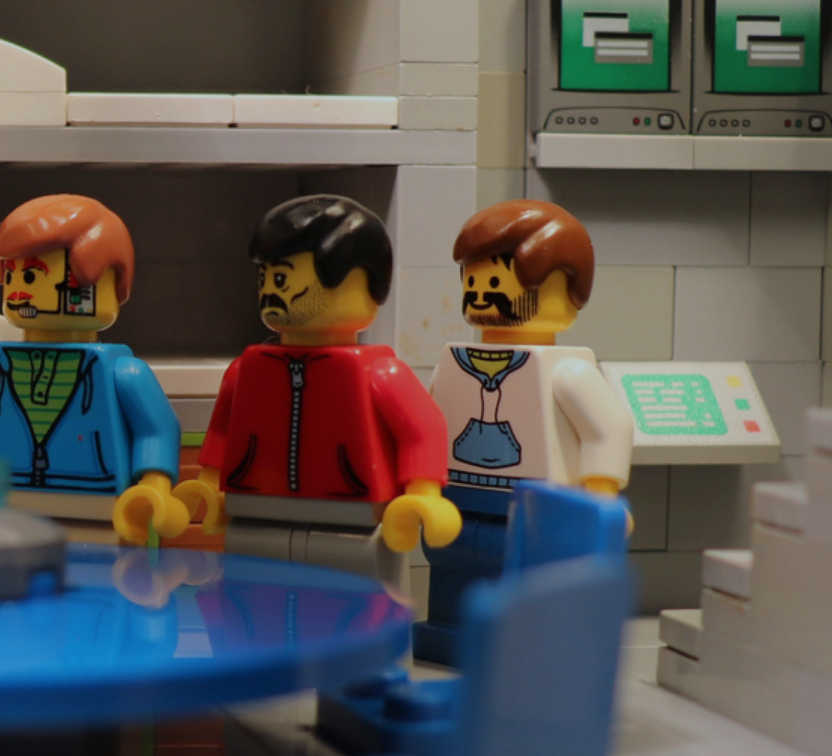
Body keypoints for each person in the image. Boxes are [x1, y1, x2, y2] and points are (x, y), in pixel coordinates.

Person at [175, 194, 459, 582]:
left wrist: (423, 492)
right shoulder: (246, 370)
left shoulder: (380, 373)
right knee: (253, 599)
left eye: (282, 278)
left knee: (357, 605)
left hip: (353, 522)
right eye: (265, 278)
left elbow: (423, 429)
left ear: (357, 279)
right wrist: (209, 485)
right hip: (256, 517)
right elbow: (224, 431)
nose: (270, 292)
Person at [415, 199, 633, 664]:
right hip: (458, 501)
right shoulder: (454, 363)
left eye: (496, 282)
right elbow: (429, 423)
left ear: (564, 289)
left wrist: (599, 497)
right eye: (473, 282)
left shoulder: (567, 372)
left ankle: (523, 637)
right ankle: (450, 626)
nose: (481, 294)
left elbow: (609, 428)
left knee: (524, 574)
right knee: (449, 562)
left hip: (535, 510)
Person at [0, 195, 187, 545]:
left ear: (98, 280)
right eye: (11, 275)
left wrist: (154, 485)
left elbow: (156, 430)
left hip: (96, 511)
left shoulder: (123, 373)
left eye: (31, 276)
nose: (18, 293)